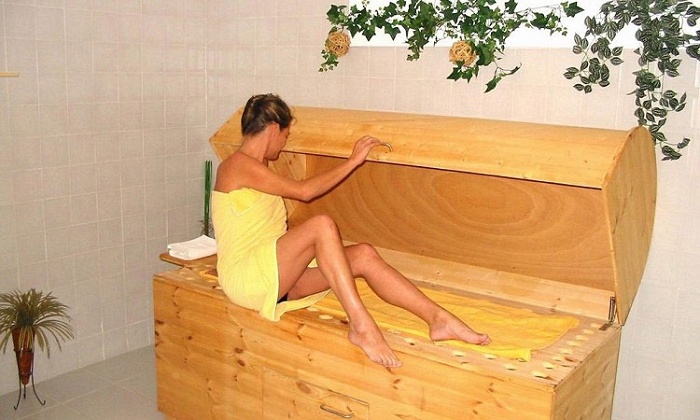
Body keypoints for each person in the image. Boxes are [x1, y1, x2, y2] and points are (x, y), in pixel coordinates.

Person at [212, 94, 490, 368]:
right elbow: (305, 192)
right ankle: (361, 325)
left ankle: (438, 319)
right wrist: (353, 161)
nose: (285, 143)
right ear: (274, 129)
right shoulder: (237, 165)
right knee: (321, 225)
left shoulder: (259, 167)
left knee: (363, 255)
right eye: (286, 135)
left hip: (278, 279)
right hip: (246, 279)